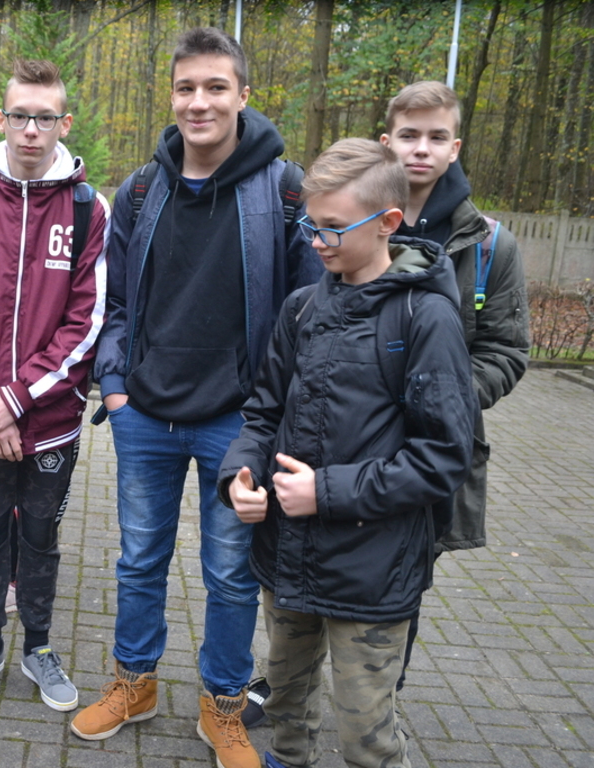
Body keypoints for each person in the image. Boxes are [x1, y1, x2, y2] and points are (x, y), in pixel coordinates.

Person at [71, 27, 320, 766]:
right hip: (144, 414)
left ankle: (223, 707)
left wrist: (272, 417)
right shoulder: (140, 188)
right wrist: (115, 388)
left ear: (243, 95)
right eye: (186, 88)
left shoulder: (284, 189)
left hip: (237, 424)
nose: (199, 102)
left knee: (230, 575)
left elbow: (307, 313)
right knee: (138, 561)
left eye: (215, 87)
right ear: (171, 95)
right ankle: (135, 683)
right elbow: (114, 303)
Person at [217, 138, 478, 768]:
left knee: (366, 733)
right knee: (286, 706)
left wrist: (325, 492)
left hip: (373, 572)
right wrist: (240, 476)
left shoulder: (425, 318)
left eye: (333, 227)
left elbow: (444, 456)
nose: (316, 241)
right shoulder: (302, 307)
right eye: (311, 225)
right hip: (287, 559)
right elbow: (263, 413)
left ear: (389, 221)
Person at [0, 58, 109, 713]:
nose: (31, 130)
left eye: (44, 117)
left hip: (49, 421)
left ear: (64, 122)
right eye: (20, 116)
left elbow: (87, 319)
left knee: (38, 538)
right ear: (0, 119)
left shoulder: (88, 208)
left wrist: (17, 398)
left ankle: (38, 646)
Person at [379, 81, 530, 689]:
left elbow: (506, 351)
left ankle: (380, 706)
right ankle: (285, 689)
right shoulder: (353, 220)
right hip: (346, 437)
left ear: (455, 147)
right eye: (409, 135)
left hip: (431, 447)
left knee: (405, 579)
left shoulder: (490, 244)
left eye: (436, 137)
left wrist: (443, 395)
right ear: (386, 142)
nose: (422, 148)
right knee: (312, 565)